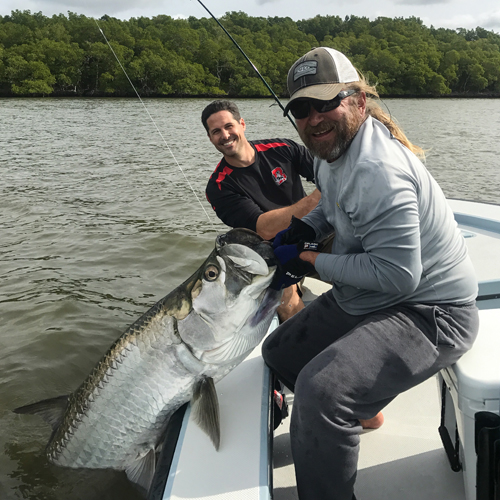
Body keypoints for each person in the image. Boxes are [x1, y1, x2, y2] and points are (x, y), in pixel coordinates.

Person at [262, 47, 479, 500]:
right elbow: (331, 201)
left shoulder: (379, 170)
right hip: (376, 296)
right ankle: (365, 412)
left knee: (321, 392)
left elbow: (398, 276)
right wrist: (305, 227)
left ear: (358, 101)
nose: (314, 118)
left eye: (326, 103)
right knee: (281, 351)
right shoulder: (328, 149)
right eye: (301, 109)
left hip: (431, 311)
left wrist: (308, 260)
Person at [202, 100, 320, 322]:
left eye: (229, 126)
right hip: (271, 252)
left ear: (242, 124)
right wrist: (316, 197)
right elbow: (264, 228)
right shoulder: (218, 187)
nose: (225, 135)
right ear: (210, 138)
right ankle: (311, 340)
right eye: (216, 131)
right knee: (285, 295)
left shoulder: (284, 149)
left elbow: (328, 172)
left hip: (317, 228)